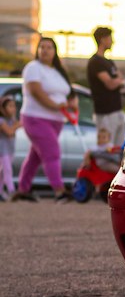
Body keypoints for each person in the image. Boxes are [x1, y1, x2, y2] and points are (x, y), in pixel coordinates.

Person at [12, 37, 76, 201]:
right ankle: (60, 191)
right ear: (37, 50)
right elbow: (36, 91)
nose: (45, 50)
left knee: (35, 156)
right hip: (36, 118)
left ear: (55, 52)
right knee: (52, 153)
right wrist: (54, 105)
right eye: (42, 47)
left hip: (56, 120)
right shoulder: (33, 68)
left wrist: (71, 105)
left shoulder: (57, 71)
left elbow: (68, 93)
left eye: (49, 47)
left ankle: (23, 190)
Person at [86, 26, 125, 148]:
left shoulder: (109, 62)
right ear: (103, 39)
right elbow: (110, 84)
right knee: (106, 148)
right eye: (110, 38)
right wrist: (117, 81)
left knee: (118, 149)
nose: (112, 41)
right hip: (105, 113)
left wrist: (117, 81)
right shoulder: (95, 62)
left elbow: (121, 80)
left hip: (117, 110)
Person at [0, 91, 21, 200]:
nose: (13, 109)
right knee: (7, 170)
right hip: (2, 151)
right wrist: (17, 125)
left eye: (14, 106)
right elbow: (9, 132)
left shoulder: (11, 120)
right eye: (10, 106)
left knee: (3, 173)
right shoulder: (1, 121)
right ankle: (12, 191)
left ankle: (1, 192)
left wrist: (16, 124)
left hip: (9, 150)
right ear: (2, 109)